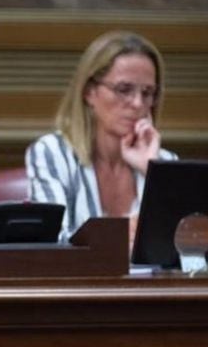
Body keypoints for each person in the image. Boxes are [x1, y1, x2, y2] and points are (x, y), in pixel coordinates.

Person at [25, 31, 177, 242]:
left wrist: (152, 169)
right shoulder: (53, 153)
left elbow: (187, 250)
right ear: (89, 91)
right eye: (124, 89)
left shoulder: (165, 163)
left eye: (147, 92)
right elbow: (51, 241)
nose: (137, 104)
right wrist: (118, 238)